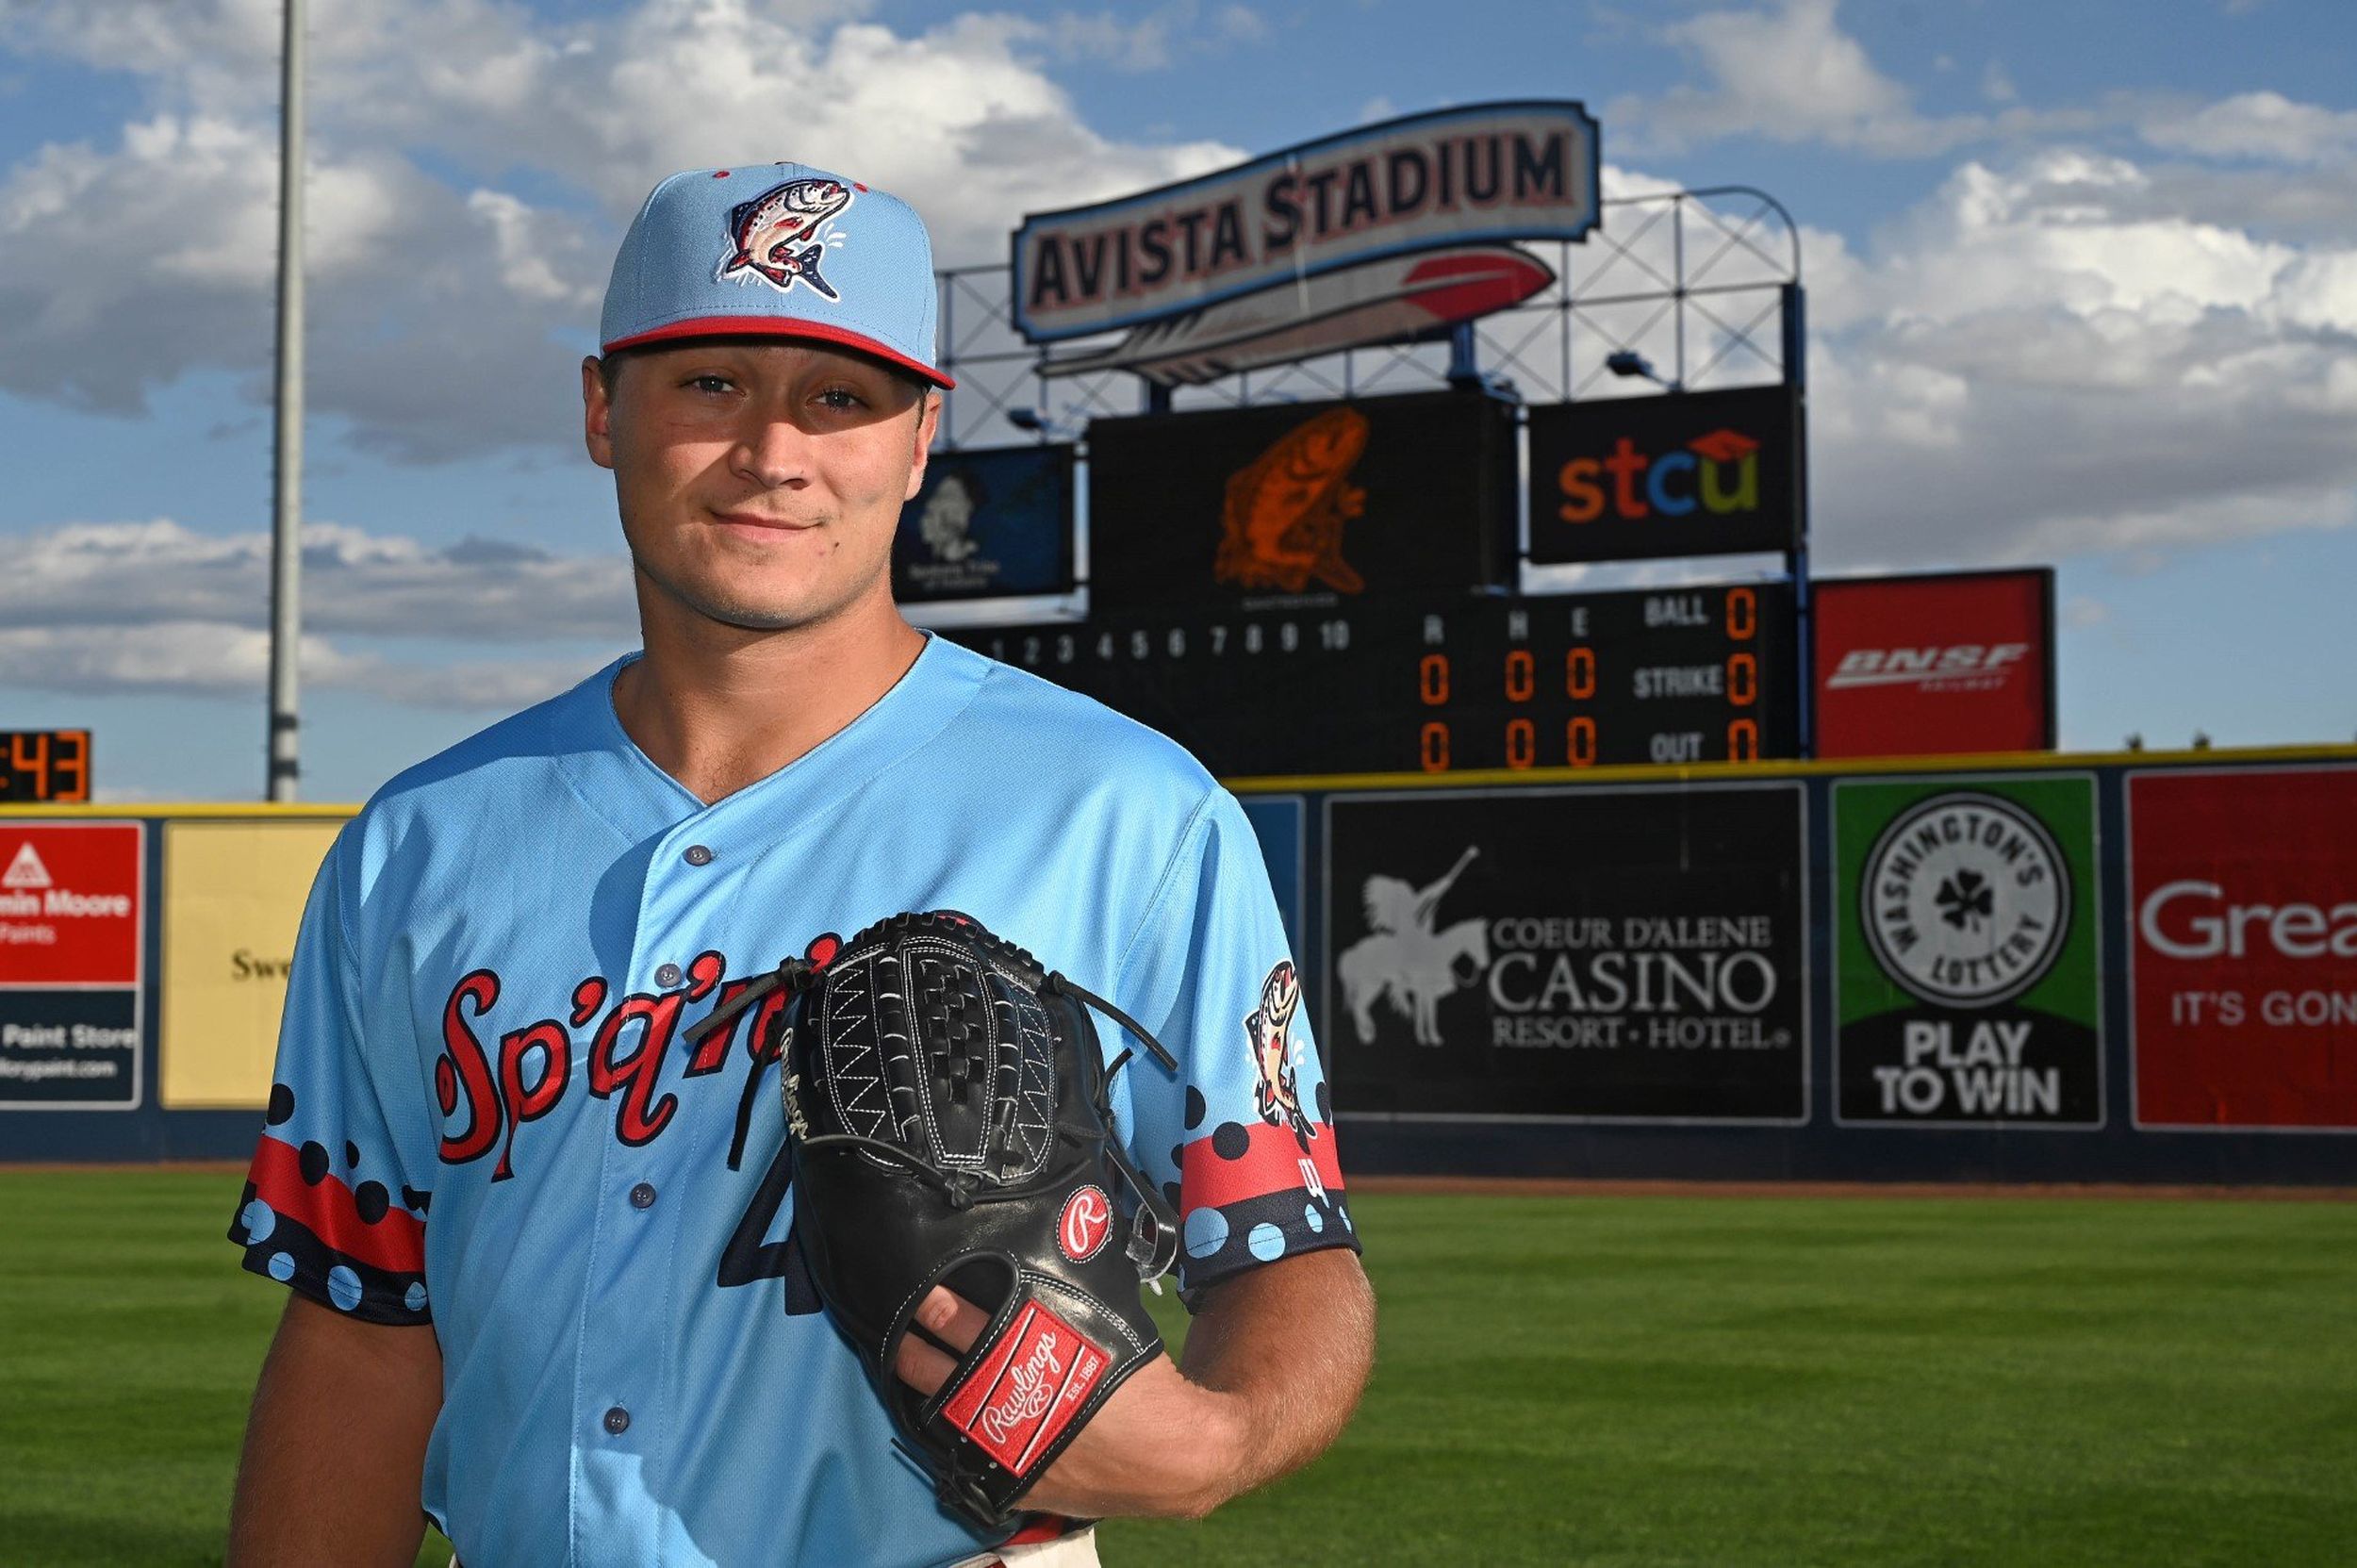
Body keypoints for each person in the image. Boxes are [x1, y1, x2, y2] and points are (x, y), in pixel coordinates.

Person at [223, 161, 1376, 1568]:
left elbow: (1287, 1243)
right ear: (603, 409)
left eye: (840, 399)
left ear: (918, 440)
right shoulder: (421, 839)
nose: (776, 452)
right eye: (711, 383)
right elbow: (360, 1331)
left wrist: (1223, 1439)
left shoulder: (1125, 808)